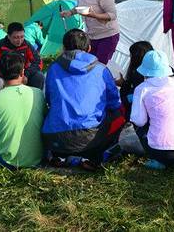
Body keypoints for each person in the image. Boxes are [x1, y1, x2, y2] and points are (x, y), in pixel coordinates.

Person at [41, 29, 124, 167]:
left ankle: (60, 156)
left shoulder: (53, 68)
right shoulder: (101, 69)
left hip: (55, 138)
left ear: (64, 48)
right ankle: (94, 156)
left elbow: (49, 99)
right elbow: (114, 103)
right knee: (117, 114)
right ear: (89, 48)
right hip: (90, 138)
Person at [60, 0, 119, 64]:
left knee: (100, 65)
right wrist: (70, 12)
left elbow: (112, 15)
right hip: (91, 36)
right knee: (88, 64)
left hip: (107, 36)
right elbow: (80, 6)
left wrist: (94, 15)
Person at [0, 22, 44, 91]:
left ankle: (36, 97)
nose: (20, 41)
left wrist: (26, 74)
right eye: (16, 37)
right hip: (6, 77)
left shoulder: (26, 45)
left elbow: (38, 62)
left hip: (24, 75)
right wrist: (9, 79)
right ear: (8, 36)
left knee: (39, 76)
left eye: (22, 37)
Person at [117, 41, 154, 120]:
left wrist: (124, 99)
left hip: (142, 113)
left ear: (137, 57)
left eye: (131, 55)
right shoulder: (165, 71)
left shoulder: (139, 73)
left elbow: (137, 95)